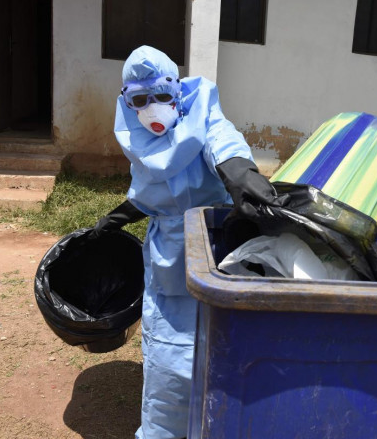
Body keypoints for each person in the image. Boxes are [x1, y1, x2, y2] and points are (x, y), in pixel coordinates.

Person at [92, 45, 287, 439]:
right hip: (167, 258)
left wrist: (240, 172)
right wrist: (118, 217)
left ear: (177, 91)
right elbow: (152, 192)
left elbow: (222, 141)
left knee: (220, 347)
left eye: (162, 96)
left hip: (211, 248)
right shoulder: (140, 138)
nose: (153, 109)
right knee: (167, 358)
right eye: (140, 100)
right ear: (127, 102)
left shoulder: (202, 115)